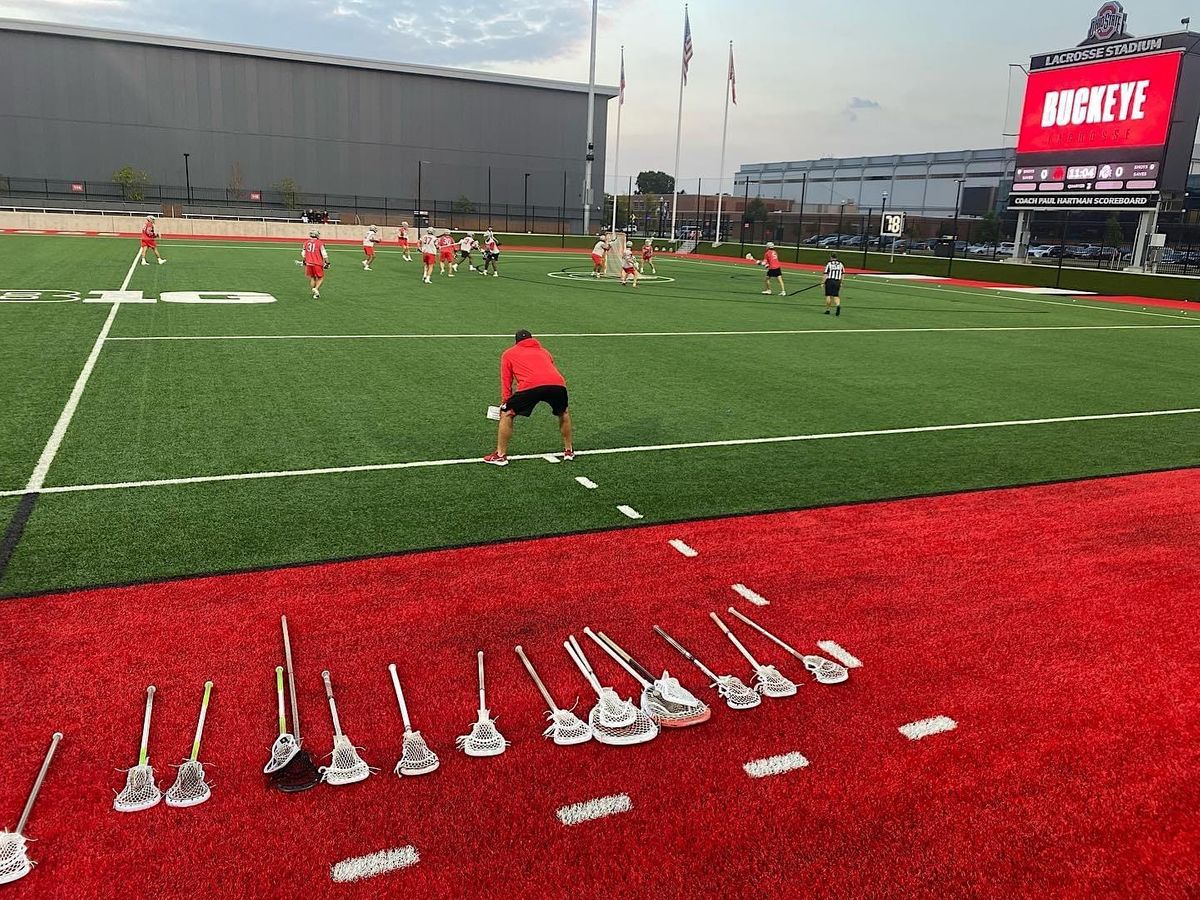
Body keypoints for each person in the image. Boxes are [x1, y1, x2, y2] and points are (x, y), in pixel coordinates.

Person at [484, 329, 574, 466]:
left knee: (507, 414)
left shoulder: (509, 353)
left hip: (531, 385)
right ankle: (569, 451)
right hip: (557, 384)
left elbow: (506, 380)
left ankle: (500, 455)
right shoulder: (544, 352)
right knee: (563, 412)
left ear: (516, 341)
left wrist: (505, 402)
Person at [301, 229, 329, 298]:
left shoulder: (306, 243)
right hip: (317, 263)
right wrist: (327, 262)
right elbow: (324, 254)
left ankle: (314, 293)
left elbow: (303, 254)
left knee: (312, 277)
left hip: (309, 263)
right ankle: (316, 289)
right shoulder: (319, 243)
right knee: (320, 277)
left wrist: (304, 261)